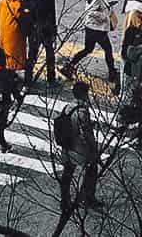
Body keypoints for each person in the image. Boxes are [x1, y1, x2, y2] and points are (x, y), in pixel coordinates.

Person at [61, 0, 119, 89]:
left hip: (90, 28)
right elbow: (91, 12)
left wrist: (107, 5)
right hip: (97, 29)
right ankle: (112, 73)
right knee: (108, 49)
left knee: (88, 49)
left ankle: (69, 66)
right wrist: (106, 15)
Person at [58, 81, 102, 212]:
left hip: (67, 145)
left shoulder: (68, 107)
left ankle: (64, 199)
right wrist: (94, 150)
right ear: (84, 94)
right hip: (78, 148)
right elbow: (86, 134)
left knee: (67, 173)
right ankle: (88, 197)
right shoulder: (82, 110)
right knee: (92, 169)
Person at [24, 0, 58, 88]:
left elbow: (26, 9)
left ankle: (28, 79)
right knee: (49, 53)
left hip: (33, 27)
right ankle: (51, 78)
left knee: (32, 54)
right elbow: (52, 13)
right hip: (46, 28)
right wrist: (54, 30)